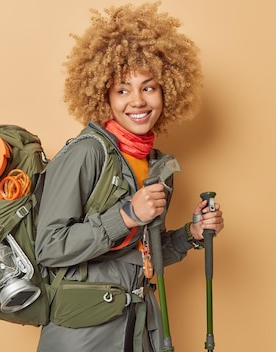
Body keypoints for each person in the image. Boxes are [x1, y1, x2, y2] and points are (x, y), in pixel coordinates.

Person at [35, 3, 225, 352]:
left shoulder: (159, 167)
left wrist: (192, 234)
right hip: (83, 336)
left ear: (167, 91)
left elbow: (142, 255)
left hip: (140, 330)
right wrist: (126, 215)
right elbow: (48, 247)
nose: (137, 101)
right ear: (104, 96)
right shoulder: (86, 153)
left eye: (149, 88)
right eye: (123, 90)